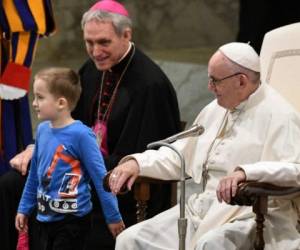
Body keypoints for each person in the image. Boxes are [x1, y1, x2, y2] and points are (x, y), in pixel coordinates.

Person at [2, 1, 181, 249]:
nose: (96, 51)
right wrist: (37, 149)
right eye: (89, 42)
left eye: (104, 42)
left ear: (126, 35)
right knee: (11, 184)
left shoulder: (151, 86)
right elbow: (64, 121)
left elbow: (144, 156)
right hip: (74, 170)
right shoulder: (92, 69)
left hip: (117, 187)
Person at [109, 42, 300, 250]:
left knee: (210, 245)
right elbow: (181, 155)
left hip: (252, 214)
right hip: (203, 209)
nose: (209, 87)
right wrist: (137, 163)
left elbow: (295, 170)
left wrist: (246, 173)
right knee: (130, 240)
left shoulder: (281, 115)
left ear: (241, 81)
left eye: (215, 80)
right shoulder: (215, 109)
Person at [15, 67, 125, 250]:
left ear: (61, 103)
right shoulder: (42, 131)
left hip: (72, 223)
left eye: (40, 97)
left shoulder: (82, 136)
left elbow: (101, 179)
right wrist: (24, 208)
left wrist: (113, 216)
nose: (34, 103)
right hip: (43, 218)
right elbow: (34, 175)